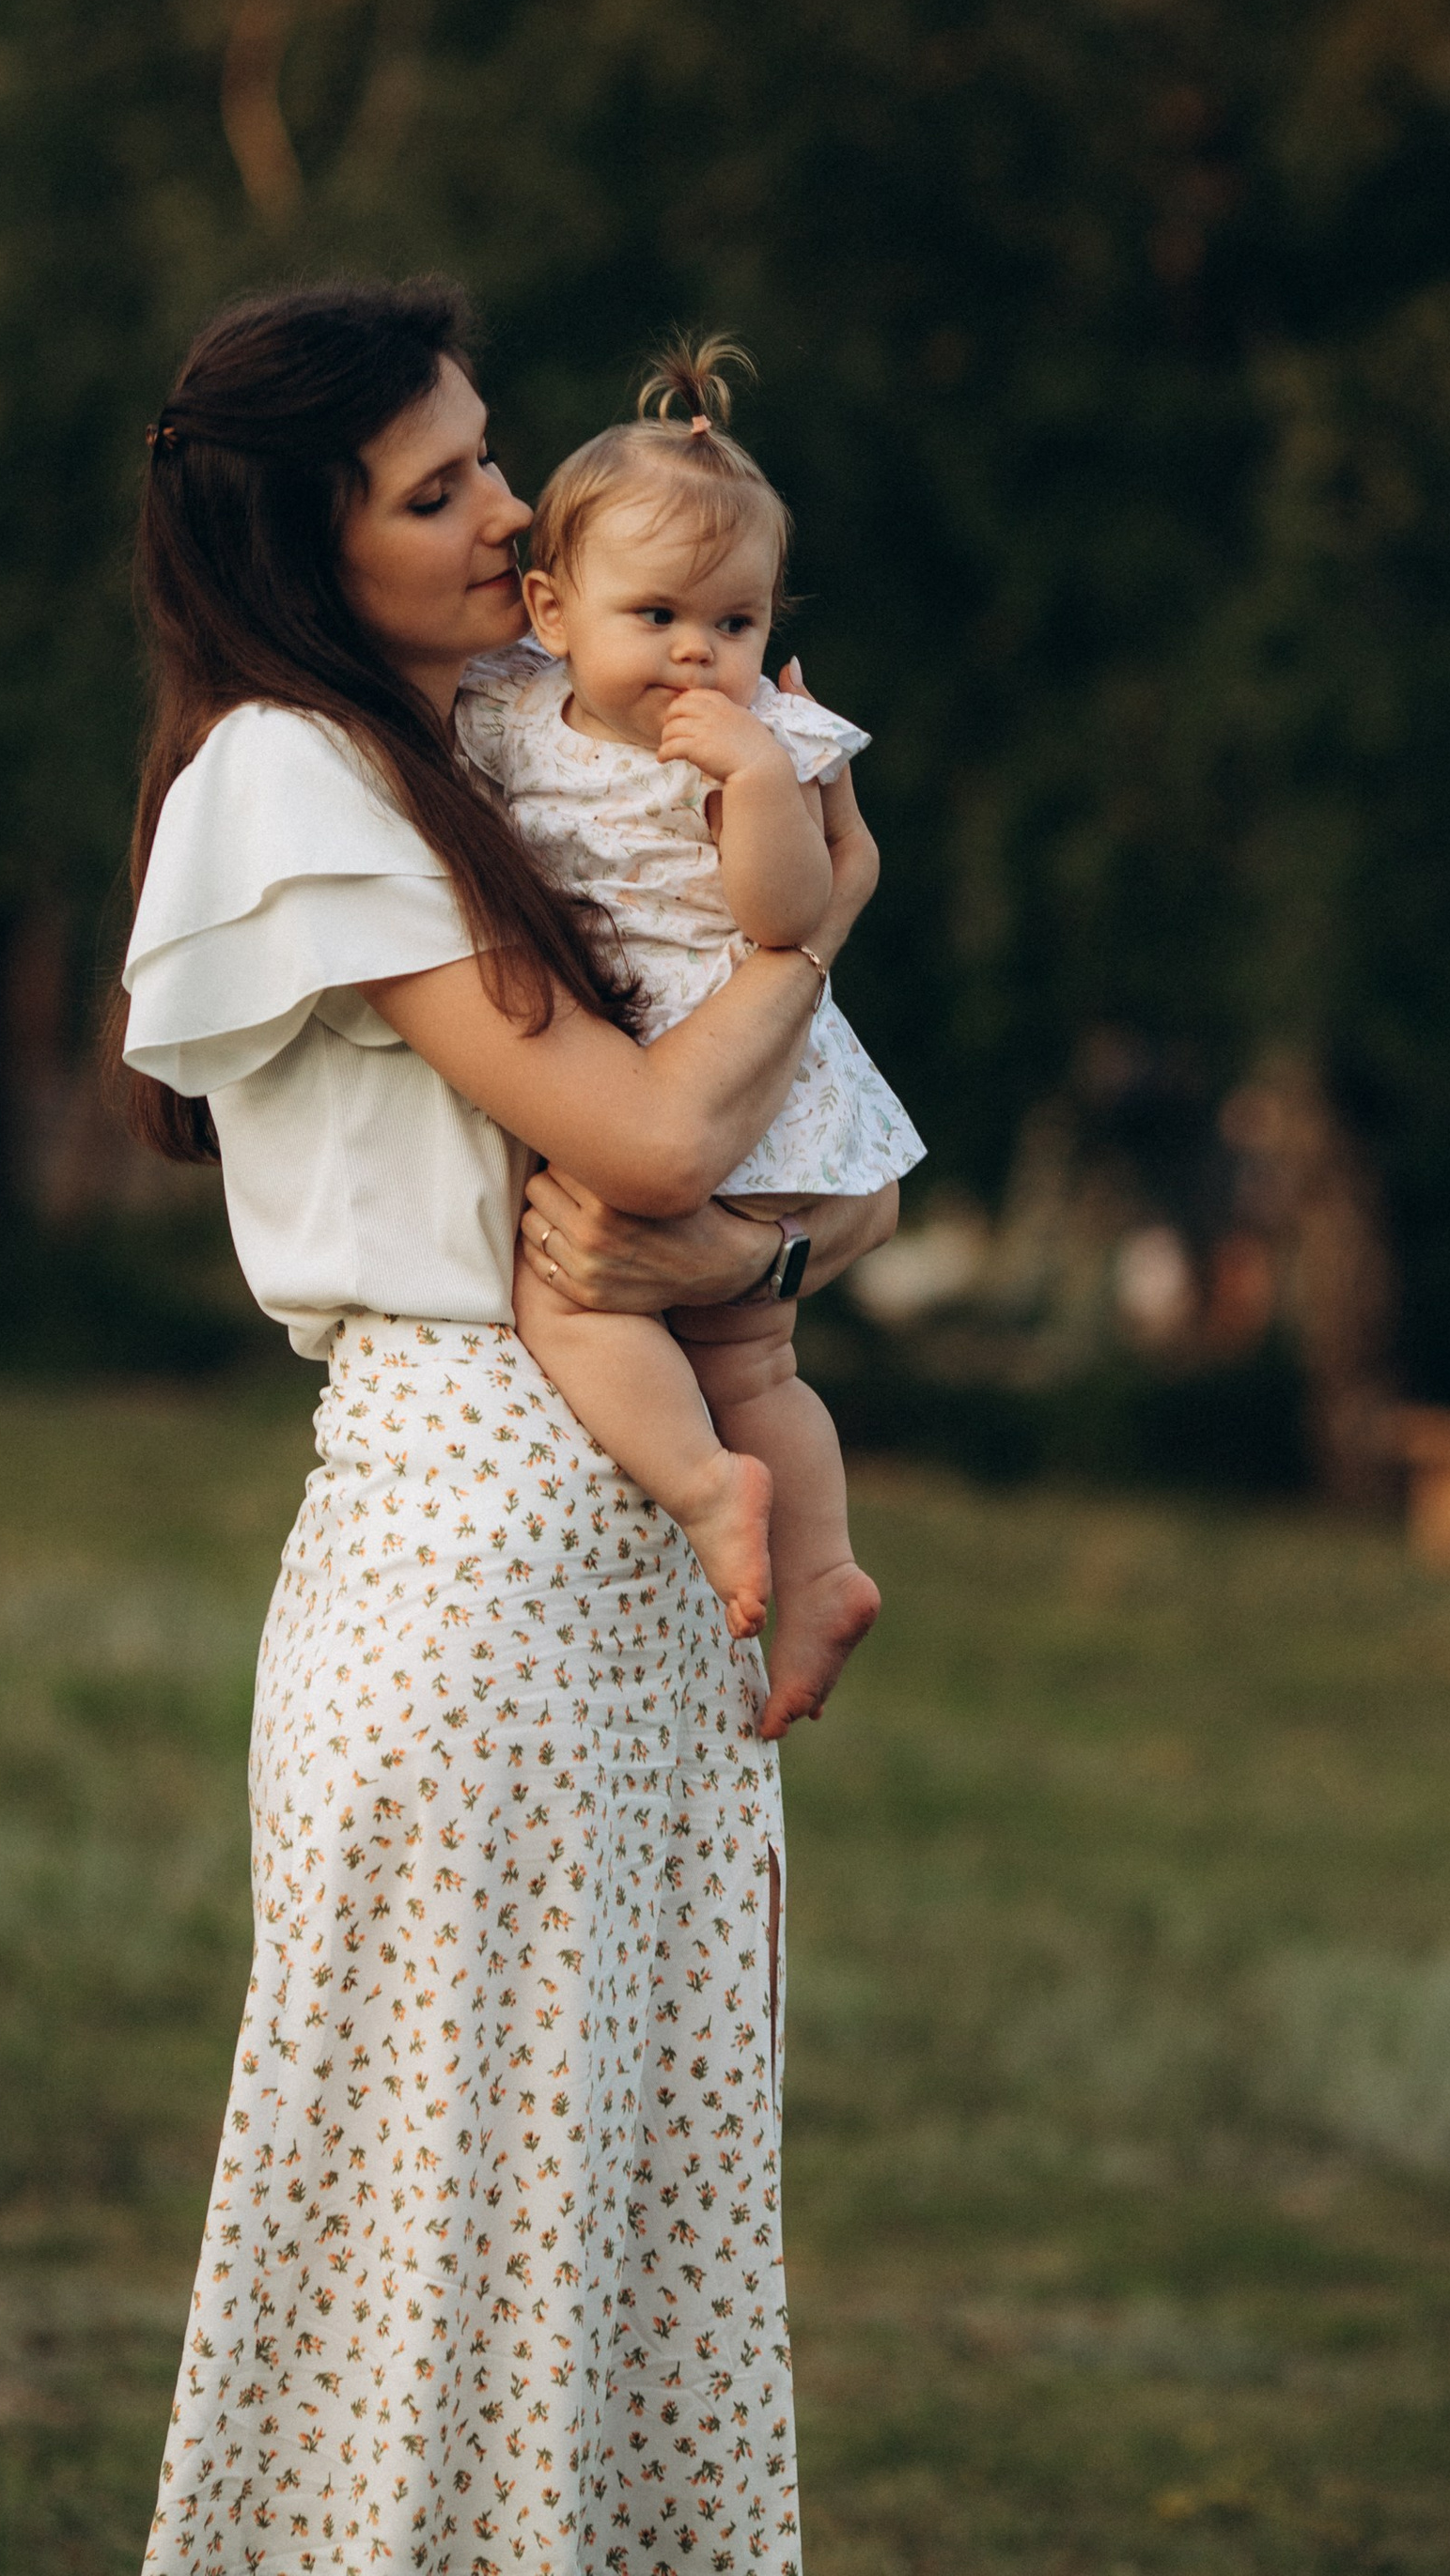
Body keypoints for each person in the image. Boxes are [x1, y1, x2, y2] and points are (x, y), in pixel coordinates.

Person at [114, 277, 897, 2576]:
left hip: (647, 1548)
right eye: (433, 483)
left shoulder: (536, 729)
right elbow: (648, 1149)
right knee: (441, 2231)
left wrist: (755, 1261)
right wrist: (796, 954)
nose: (495, 508)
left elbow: (801, 1202)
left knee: (625, 2217)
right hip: (467, 1547)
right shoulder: (293, 771)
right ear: (295, 537)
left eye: (486, 459)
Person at [457, 336, 921, 1739]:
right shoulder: (507, 706)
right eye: (653, 613)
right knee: (745, 1361)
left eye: (731, 621)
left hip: (745, 1085)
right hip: (659, 1072)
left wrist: (761, 782)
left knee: (581, 1297)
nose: (692, 653)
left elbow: (794, 919)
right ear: (549, 609)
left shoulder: (765, 740)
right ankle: (820, 1572)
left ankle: (724, 1497)